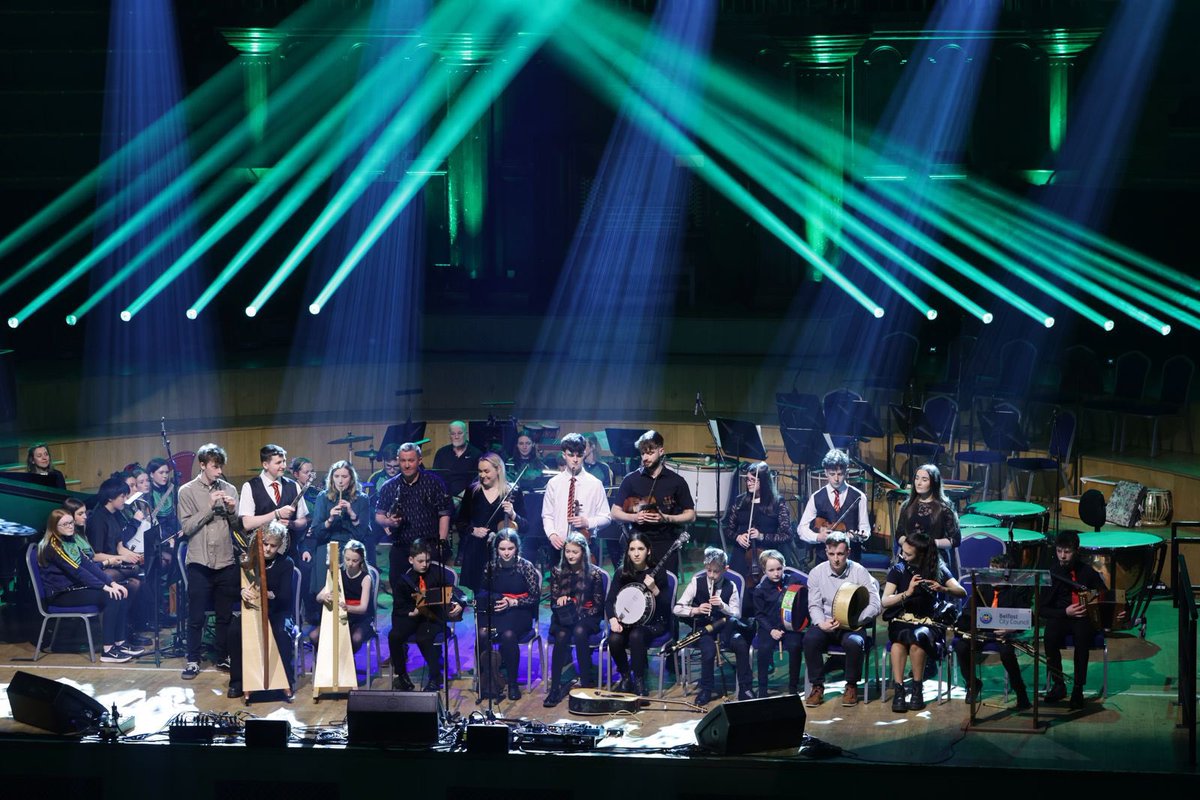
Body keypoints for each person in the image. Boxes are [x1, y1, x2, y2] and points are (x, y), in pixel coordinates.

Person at [37, 509, 140, 662]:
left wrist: (112, 583)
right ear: (54, 527)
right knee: (111, 596)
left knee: (120, 592)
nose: (70, 527)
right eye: (65, 524)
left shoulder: (70, 540)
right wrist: (105, 588)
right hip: (61, 594)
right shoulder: (53, 546)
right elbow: (77, 571)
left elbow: (89, 566)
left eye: (71, 523)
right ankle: (108, 650)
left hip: (75, 589)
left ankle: (120, 643)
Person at [176, 443, 242, 680]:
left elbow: (237, 526)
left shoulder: (230, 489)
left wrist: (233, 511)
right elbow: (186, 527)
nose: (219, 470)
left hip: (225, 560)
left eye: (221, 466)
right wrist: (209, 507)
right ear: (202, 465)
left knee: (224, 615)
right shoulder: (186, 491)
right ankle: (193, 659)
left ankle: (222, 656)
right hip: (199, 562)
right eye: (215, 466)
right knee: (196, 616)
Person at [881, 531, 966, 712]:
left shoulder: (938, 568)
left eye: (908, 554)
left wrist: (943, 588)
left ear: (922, 554)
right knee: (898, 644)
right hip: (903, 618)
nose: (903, 556)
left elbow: (961, 592)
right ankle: (899, 690)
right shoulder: (899, 570)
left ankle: (917, 690)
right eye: (902, 552)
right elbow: (885, 601)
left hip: (928, 621)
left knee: (916, 643)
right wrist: (907, 593)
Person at [803, 531, 881, 707]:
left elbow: (876, 604)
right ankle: (817, 686)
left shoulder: (859, 571)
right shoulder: (817, 573)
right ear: (826, 552)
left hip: (853, 624)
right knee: (810, 639)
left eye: (840, 554)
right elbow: (814, 605)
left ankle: (851, 686)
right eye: (831, 554)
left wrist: (855, 620)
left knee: (854, 642)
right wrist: (821, 623)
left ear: (848, 553)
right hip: (827, 622)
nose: (836, 559)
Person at [951, 553, 1032, 710]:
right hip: (983, 633)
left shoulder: (1015, 591)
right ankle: (973, 684)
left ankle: (1021, 693)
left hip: (1005, 634)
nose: (992, 575)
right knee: (961, 646)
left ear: (1007, 574)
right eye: (991, 570)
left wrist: (1011, 629)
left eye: (997, 571)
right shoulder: (982, 588)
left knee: (1007, 653)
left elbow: (1028, 617)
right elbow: (969, 613)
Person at [675, 547, 754, 704]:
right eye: (709, 571)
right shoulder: (696, 583)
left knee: (741, 644)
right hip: (703, 629)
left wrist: (723, 606)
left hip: (726, 628)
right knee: (709, 650)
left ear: (726, 569)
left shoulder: (730, 586)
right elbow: (677, 608)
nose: (711, 575)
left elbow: (737, 614)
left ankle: (745, 688)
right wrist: (696, 609)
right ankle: (706, 689)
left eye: (716, 572)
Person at [611, 430, 695, 575]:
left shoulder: (676, 481)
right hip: (638, 542)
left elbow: (691, 515)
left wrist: (667, 518)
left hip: (666, 543)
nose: (645, 457)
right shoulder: (631, 479)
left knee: (665, 590)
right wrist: (634, 517)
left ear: (661, 451)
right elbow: (614, 512)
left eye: (649, 453)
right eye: (642, 453)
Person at [227, 527, 296, 699]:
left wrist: (268, 594)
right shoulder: (248, 562)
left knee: (281, 632)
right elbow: (230, 589)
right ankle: (237, 682)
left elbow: (286, 597)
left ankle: (284, 681)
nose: (268, 549)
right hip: (255, 611)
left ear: (279, 546)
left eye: (273, 546)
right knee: (235, 630)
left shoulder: (286, 564)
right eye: (265, 544)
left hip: (277, 611)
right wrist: (242, 592)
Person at [1041, 529, 1105, 710]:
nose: (1062, 556)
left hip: (1083, 618)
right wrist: (1065, 612)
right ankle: (1058, 684)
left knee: (1082, 637)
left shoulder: (1088, 573)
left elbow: (1105, 596)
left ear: (1076, 551)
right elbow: (1042, 610)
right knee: (1050, 635)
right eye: (1059, 551)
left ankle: (1078, 688)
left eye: (1067, 552)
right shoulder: (1051, 573)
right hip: (1062, 615)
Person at [389, 539, 463, 692]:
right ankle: (401, 676)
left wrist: (461, 603)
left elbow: (456, 592)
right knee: (394, 636)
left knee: (424, 637)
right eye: (420, 561)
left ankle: (435, 677)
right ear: (411, 560)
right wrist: (412, 612)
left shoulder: (437, 573)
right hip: (413, 617)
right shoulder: (404, 579)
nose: (424, 565)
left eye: (427, 561)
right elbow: (398, 606)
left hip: (433, 617)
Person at [474, 529, 540, 701]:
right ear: (497, 549)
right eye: (502, 549)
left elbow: (534, 597)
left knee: (508, 635)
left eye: (510, 548)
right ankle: (487, 680)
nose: (506, 553)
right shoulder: (491, 566)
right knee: (482, 633)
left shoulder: (525, 567)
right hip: (497, 611)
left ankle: (511, 683)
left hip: (519, 613)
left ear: (516, 548)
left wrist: (513, 602)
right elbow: (482, 591)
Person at [375, 442, 453, 585]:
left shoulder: (434, 483)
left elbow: (444, 514)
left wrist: (441, 542)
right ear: (398, 460)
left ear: (419, 460)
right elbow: (379, 516)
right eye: (403, 461)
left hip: (429, 546)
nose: (407, 465)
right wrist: (388, 522)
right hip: (401, 547)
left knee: (430, 592)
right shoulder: (389, 486)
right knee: (399, 590)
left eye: (411, 460)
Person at [545, 532, 606, 706]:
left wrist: (579, 613)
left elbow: (598, 605)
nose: (570, 555)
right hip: (563, 617)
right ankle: (555, 687)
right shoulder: (557, 571)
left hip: (587, 615)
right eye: (568, 551)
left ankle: (586, 682)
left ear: (583, 553)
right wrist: (560, 601)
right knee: (563, 635)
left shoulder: (593, 573)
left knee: (579, 631)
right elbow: (553, 602)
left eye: (575, 552)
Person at [606, 532, 671, 696]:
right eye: (632, 549)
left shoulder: (658, 572)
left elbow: (667, 606)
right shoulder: (622, 573)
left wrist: (655, 589)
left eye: (640, 549)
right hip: (628, 622)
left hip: (654, 623)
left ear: (648, 551)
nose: (636, 553)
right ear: (627, 552)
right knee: (613, 639)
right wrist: (613, 619)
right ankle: (626, 676)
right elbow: (609, 601)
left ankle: (640, 680)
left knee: (636, 635)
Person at [456, 452, 526, 593]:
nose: (482, 475)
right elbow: (460, 521)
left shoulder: (512, 492)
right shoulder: (473, 491)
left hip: (501, 555)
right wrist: (473, 530)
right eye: (480, 471)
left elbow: (525, 526)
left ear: (498, 469)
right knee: (479, 598)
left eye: (486, 471)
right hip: (476, 552)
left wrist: (513, 514)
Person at [542, 433, 611, 562]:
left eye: (579, 455)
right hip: (559, 545)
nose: (575, 459)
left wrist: (587, 522)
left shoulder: (595, 484)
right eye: (570, 455)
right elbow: (547, 515)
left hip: (586, 546)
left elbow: (606, 517)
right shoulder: (554, 483)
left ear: (584, 454)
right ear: (564, 455)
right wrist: (552, 534)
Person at [307, 461, 370, 600]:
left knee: (348, 594)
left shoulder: (362, 499)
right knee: (325, 594)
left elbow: (362, 535)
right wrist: (329, 519)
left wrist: (352, 514)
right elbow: (317, 533)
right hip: (327, 546)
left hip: (350, 548)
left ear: (351, 478)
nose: (340, 481)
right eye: (336, 476)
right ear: (331, 478)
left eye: (344, 476)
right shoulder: (323, 497)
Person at [723, 462, 792, 585]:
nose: (749, 483)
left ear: (764, 482)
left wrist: (762, 536)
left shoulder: (777, 502)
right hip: (741, 554)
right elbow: (728, 529)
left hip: (766, 555)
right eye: (748, 479)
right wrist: (737, 537)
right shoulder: (740, 501)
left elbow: (787, 534)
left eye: (753, 480)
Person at [797, 448, 870, 565]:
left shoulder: (859, 497)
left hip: (850, 560)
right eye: (832, 474)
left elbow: (865, 528)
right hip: (823, 559)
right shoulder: (816, 497)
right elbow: (802, 529)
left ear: (846, 472)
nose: (836, 478)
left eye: (840, 474)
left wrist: (858, 536)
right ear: (826, 472)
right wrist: (818, 537)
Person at [750, 549, 805, 698]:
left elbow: (802, 602)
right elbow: (759, 615)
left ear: (784, 566)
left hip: (790, 626)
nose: (776, 573)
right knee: (764, 648)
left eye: (779, 569)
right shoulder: (760, 590)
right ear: (764, 571)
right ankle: (762, 688)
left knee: (795, 645)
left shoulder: (793, 581)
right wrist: (771, 630)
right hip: (769, 627)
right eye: (771, 570)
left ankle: (793, 686)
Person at [238, 444, 309, 554]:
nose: (283, 466)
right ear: (265, 464)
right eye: (278, 463)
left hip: (289, 554)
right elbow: (247, 523)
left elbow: (303, 521)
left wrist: (291, 524)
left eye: (284, 461)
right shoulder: (250, 487)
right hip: (261, 555)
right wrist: (277, 514)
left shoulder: (293, 486)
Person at [310, 539, 375, 655]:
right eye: (347, 559)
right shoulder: (339, 573)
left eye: (355, 560)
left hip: (359, 620)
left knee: (355, 638)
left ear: (361, 560)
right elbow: (319, 597)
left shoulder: (365, 578)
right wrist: (324, 597)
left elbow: (363, 608)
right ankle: (324, 661)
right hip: (341, 618)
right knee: (314, 636)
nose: (350, 563)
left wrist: (346, 607)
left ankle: (347, 663)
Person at [894, 463, 962, 555]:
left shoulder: (944, 507)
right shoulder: (907, 505)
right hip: (909, 556)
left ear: (934, 482)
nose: (919, 483)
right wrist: (911, 545)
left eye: (924, 480)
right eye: (917, 478)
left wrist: (931, 544)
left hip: (934, 558)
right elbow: (899, 534)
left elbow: (955, 540)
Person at [432, 420, 483, 500]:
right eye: (453, 434)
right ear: (450, 435)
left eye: (459, 433)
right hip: (444, 499)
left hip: (469, 499)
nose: (456, 437)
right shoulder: (441, 453)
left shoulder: (476, 454)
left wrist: (463, 496)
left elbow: (479, 480)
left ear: (466, 434)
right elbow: (435, 478)